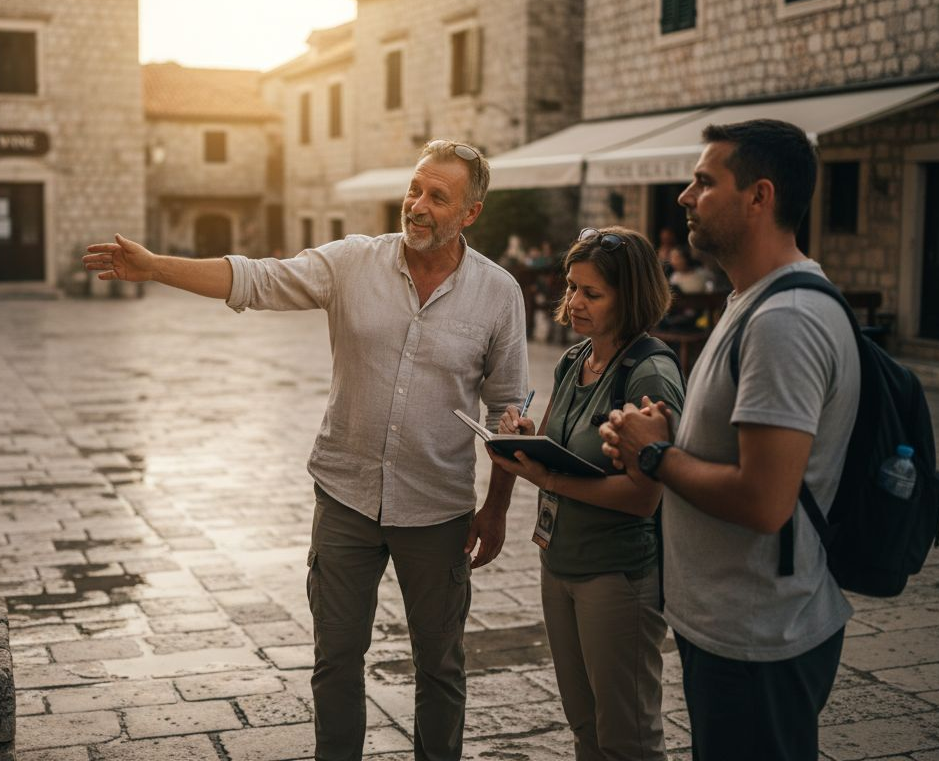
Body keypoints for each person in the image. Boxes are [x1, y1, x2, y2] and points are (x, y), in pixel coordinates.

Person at [83, 140, 528, 761]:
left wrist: (497, 508)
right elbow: (257, 278)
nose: (417, 205)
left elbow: (509, 415)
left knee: (440, 668)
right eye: (414, 189)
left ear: (470, 214)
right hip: (345, 500)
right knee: (336, 662)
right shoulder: (353, 263)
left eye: (437, 197)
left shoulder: (498, 293)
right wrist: (157, 266)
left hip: (438, 511)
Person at [598, 119, 859, 761]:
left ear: (760, 197)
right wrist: (664, 430)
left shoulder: (786, 321)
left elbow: (764, 500)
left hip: (758, 635)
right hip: (732, 625)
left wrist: (654, 455)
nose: (685, 196)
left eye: (703, 181)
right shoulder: (751, 299)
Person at [488, 226, 682, 761]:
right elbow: (556, 441)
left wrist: (549, 480)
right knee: (583, 725)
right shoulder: (577, 359)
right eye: (571, 287)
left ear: (631, 297)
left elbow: (646, 497)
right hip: (561, 562)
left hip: (617, 575)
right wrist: (525, 440)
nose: (572, 302)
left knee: (628, 737)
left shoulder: (650, 374)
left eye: (591, 293)